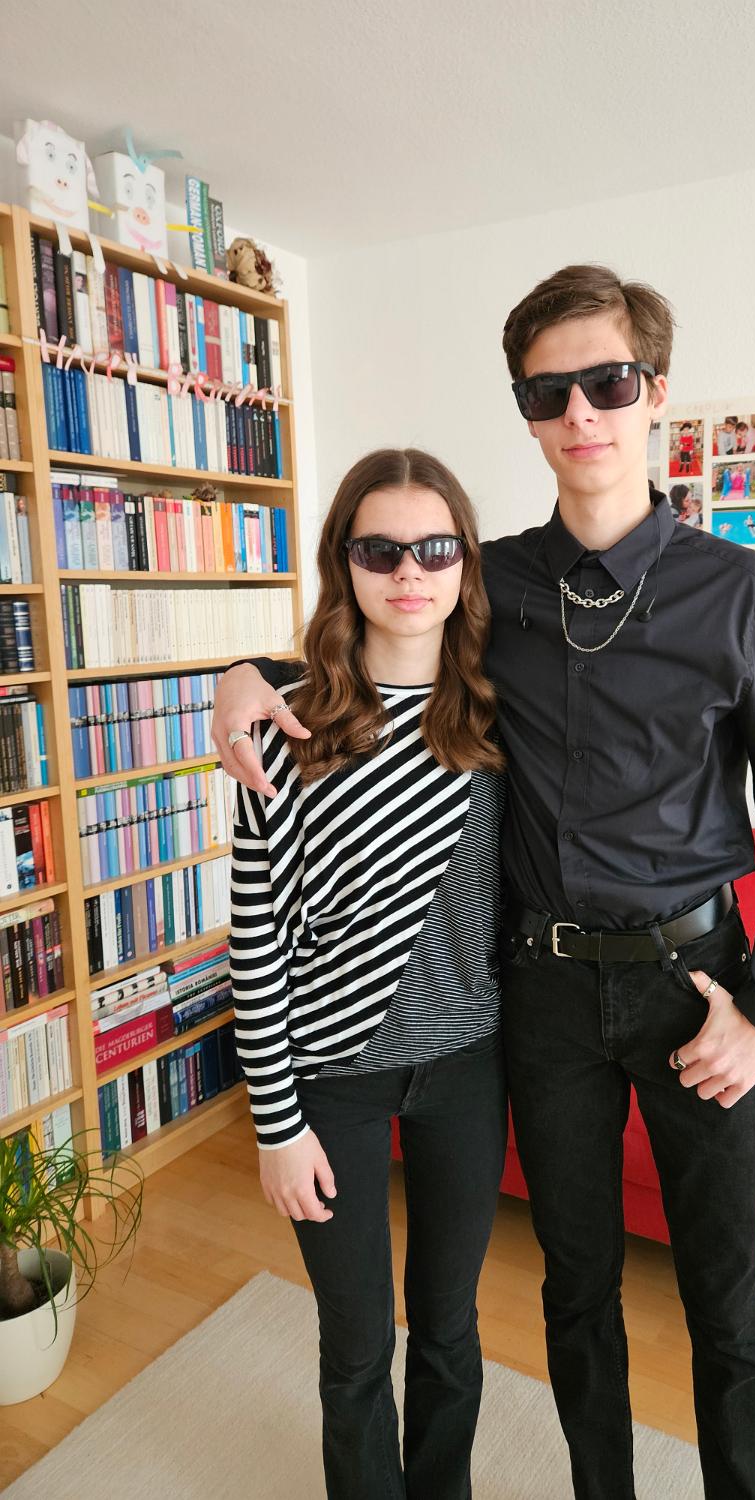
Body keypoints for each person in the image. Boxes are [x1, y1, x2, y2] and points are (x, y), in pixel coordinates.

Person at [215, 264, 755, 1500]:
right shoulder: (492, 583)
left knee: (727, 1305)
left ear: (654, 393)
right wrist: (244, 676)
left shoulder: (740, 595)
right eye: (548, 390)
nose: (581, 413)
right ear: (524, 410)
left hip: (697, 990)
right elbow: (375, 632)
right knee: (576, 1291)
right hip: (545, 998)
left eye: (608, 383)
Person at [228, 448, 509, 1500]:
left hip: (468, 1069)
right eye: (379, 549)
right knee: (355, 1347)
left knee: (448, 1327)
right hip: (328, 1082)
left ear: (464, 561)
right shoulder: (287, 725)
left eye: (434, 548)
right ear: (342, 562)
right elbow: (255, 934)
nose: (408, 572)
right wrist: (274, 1125)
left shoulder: (500, 711)